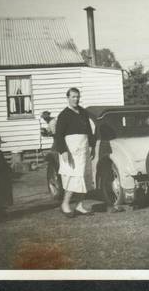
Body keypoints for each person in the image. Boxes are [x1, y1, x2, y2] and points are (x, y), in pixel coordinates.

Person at [54, 87, 95, 218]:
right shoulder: (64, 115)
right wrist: (63, 151)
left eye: (77, 97)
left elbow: (89, 131)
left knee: (84, 176)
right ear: (68, 98)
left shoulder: (83, 112)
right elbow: (58, 135)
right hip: (70, 151)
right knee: (73, 177)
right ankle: (65, 204)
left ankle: (79, 205)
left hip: (83, 148)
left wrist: (92, 145)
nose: (76, 99)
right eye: (73, 97)